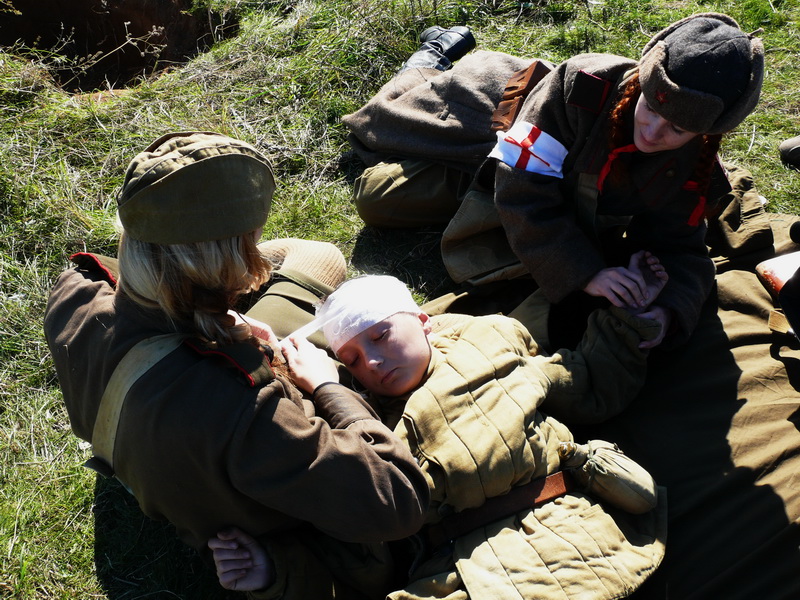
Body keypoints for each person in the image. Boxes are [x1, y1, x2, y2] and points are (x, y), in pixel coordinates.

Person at [43, 132, 430, 599]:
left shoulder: (74, 289)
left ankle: (191, 273)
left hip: (157, 422)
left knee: (314, 259)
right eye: (247, 244)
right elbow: (398, 501)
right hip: (217, 434)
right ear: (229, 260)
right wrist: (330, 389)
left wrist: (216, 312)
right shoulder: (247, 406)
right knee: (319, 260)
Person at [210, 272, 668, 600]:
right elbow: (357, 541)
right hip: (458, 573)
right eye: (350, 358)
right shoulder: (361, 426)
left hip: (572, 531)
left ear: (424, 320)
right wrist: (272, 571)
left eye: (381, 335)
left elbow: (585, 381)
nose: (370, 361)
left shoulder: (488, 348)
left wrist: (631, 319)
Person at [342, 13, 764, 351]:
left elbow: (682, 247)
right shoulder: (582, 87)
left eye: (676, 129)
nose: (654, 132)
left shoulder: (696, 164)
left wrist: (670, 311)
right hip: (486, 126)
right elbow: (521, 186)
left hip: (533, 182)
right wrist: (585, 271)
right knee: (376, 194)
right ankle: (428, 61)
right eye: (650, 109)